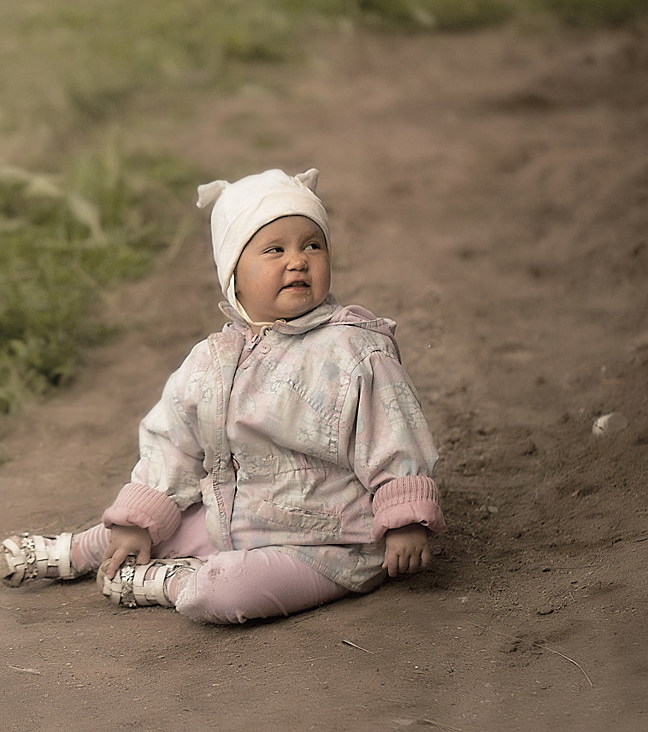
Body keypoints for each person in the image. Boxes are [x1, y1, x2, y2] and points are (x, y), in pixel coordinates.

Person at [0, 168, 446, 624]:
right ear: (233, 272)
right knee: (159, 525)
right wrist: (140, 518)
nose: (298, 261)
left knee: (224, 592)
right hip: (235, 518)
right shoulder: (212, 359)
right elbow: (173, 442)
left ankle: (173, 579)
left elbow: (395, 436)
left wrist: (405, 518)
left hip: (328, 542)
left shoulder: (354, 351)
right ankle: (84, 549)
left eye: (312, 244)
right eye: (275, 250)